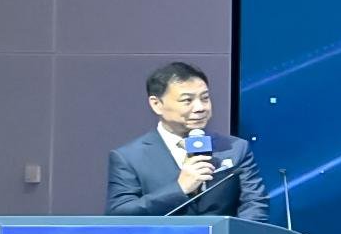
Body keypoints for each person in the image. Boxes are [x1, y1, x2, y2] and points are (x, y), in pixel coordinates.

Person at [104, 62, 263, 217]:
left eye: (205, 98)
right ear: (156, 104)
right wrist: (179, 189)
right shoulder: (129, 158)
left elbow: (255, 204)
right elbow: (120, 213)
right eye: (187, 100)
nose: (200, 108)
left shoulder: (236, 148)